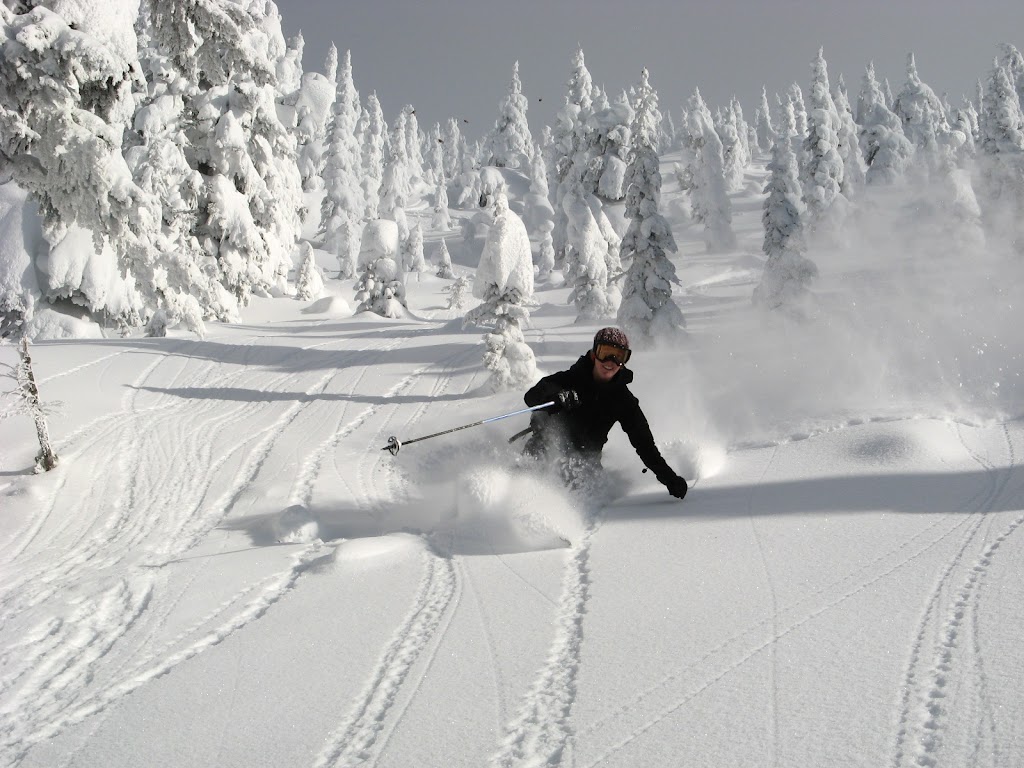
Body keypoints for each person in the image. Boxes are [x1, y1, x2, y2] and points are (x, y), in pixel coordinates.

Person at [520, 327, 688, 499]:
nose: (611, 361)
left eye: (618, 356)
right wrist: (556, 397)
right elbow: (531, 397)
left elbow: (644, 444)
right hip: (544, 448)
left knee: (580, 486)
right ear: (594, 355)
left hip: (583, 463)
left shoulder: (623, 400)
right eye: (605, 352)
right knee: (532, 470)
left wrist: (669, 478)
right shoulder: (569, 379)